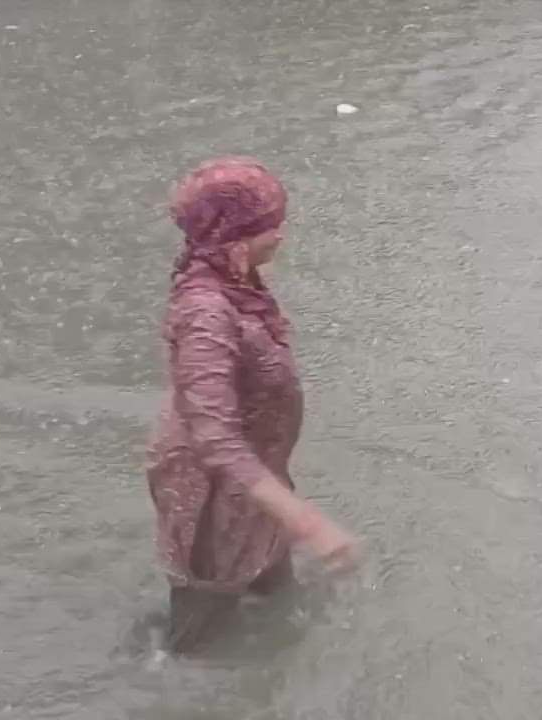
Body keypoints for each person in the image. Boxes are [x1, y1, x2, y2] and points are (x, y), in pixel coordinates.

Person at [147, 155, 358, 653]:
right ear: (235, 235)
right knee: (195, 642)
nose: (282, 234)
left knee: (274, 600)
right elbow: (214, 440)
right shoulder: (206, 313)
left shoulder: (236, 281)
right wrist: (309, 521)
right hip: (213, 493)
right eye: (270, 225)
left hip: (259, 482)